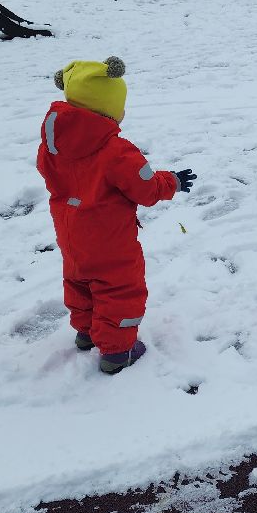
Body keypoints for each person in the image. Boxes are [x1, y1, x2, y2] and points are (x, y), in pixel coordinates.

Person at [36, 57, 196, 374]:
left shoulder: (52, 145)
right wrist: (172, 181)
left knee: (80, 279)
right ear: (107, 109)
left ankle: (85, 333)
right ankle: (116, 352)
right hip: (109, 237)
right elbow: (147, 188)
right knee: (119, 288)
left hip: (69, 230)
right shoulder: (116, 150)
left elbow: (49, 173)